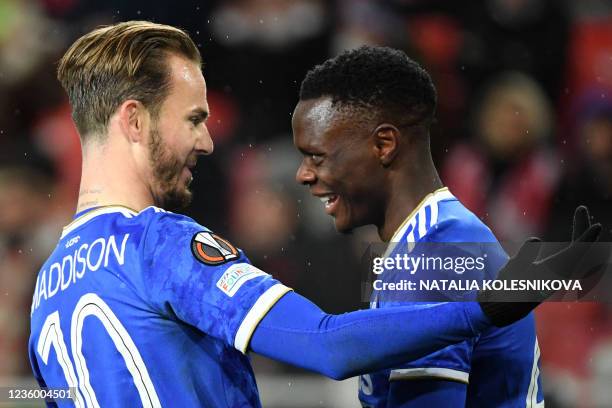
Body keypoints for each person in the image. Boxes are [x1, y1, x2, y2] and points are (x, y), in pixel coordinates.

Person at [28, 22, 600, 408]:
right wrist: (489, 306)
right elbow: (326, 345)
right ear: (134, 120)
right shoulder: (160, 246)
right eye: (193, 118)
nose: (206, 141)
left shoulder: (44, 292)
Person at [291, 46, 601, 407]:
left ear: (384, 145)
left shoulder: (433, 256)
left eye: (317, 156)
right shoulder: (441, 238)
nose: (304, 175)